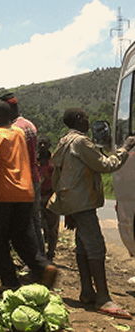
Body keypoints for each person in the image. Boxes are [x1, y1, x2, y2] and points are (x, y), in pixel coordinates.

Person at [47, 108, 135, 319]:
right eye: (86, 118)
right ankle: (103, 298)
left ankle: (87, 291)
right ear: (78, 120)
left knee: (83, 247)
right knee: (96, 248)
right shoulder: (81, 142)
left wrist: (66, 206)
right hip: (83, 203)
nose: (89, 122)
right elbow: (105, 165)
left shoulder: (64, 141)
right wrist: (125, 148)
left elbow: (59, 175)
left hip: (74, 201)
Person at [0, 101, 57, 294]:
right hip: (25, 192)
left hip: (3, 193)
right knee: (20, 236)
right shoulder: (18, 133)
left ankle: (9, 281)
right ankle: (43, 266)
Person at [0, 93, 45, 257]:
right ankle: (42, 257)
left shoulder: (15, 129)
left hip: (23, 180)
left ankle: (36, 261)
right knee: (34, 220)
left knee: (26, 224)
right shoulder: (29, 124)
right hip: (34, 176)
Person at [37, 136, 59, 261]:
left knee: (52, 228)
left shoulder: (55, 160)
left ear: (50, 145)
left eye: (45, 144)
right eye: (41, 143)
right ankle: (39, 253)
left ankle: (51, 253)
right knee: (37, 226)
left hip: (51, 197)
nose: (43, 146)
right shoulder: (34, 161)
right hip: (37, 197)